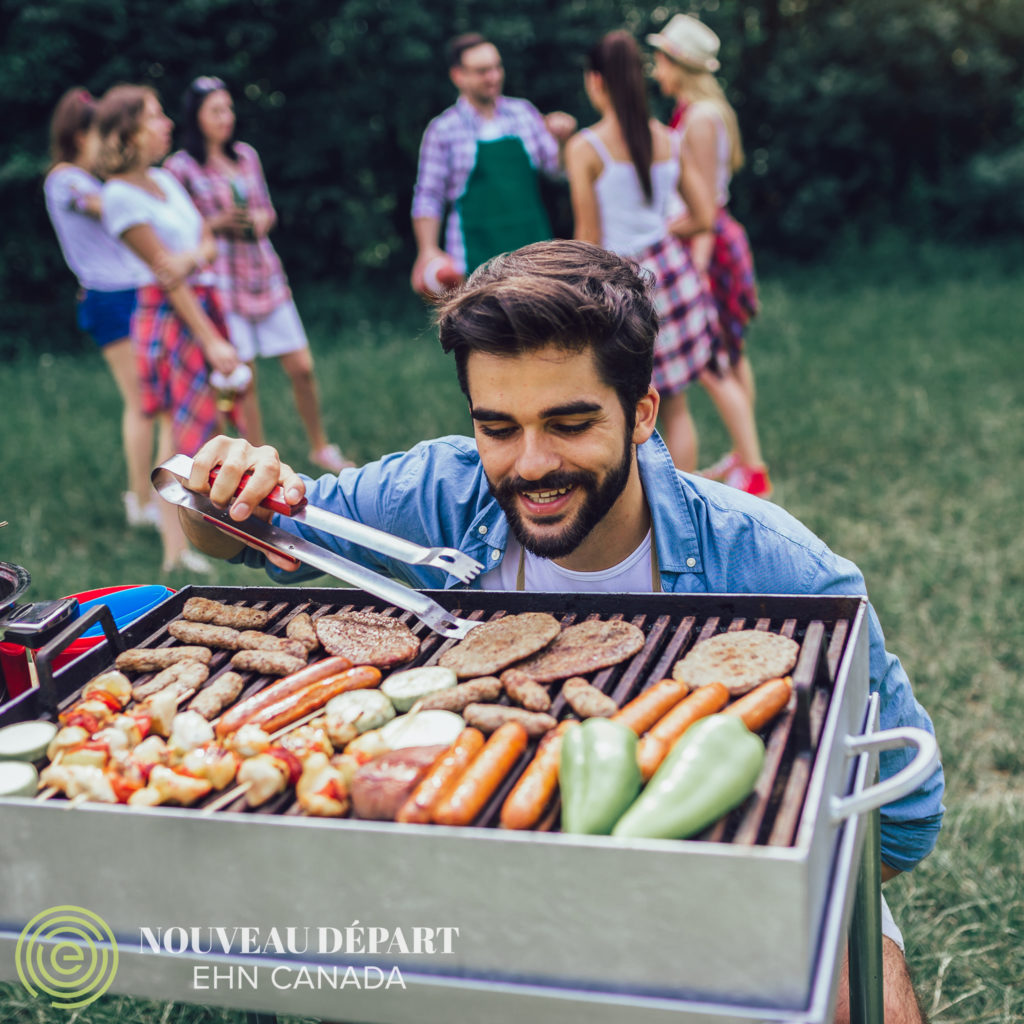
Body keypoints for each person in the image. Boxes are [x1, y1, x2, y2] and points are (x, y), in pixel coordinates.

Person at [182, 240, 942, 1024]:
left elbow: (908, 814)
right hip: (484, 873)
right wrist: (218, 491)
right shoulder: (438, 495)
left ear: (643, 412)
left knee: (869, 995)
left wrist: (728, 892)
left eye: (570, 423)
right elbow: (246, 537)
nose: (531, 464)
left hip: (728, 881)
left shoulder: (783, 571)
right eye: (499, 427)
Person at [164, 76, 353, 474]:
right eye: (215, 110)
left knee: (302, 366)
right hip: (221, 281)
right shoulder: (179, 167)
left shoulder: (245, 155)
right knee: (243, 379)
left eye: (228, 109)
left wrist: (260, 220)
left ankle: (320, 446)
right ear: (195, 117)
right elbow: (181, 227)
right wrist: (217, 223)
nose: (225, 117)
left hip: (263, 272)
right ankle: (260, 461)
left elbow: (267, 208)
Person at [95, 83, 244, 574]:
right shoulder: (117, 195)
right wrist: (211, 339)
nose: (167, 125)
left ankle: (185, 542)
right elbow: (166, 278)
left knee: (193, 427)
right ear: (127, 133)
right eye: (155, 117)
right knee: (177, 430)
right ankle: (174, 547)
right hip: (170, 316)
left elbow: (202, 240)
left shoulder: (165, 179)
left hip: (196, 300)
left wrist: (191, 257)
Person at [564, 30, 719, 474]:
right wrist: (661, 234)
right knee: (675, 407)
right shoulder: (667, 138)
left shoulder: (585, 147)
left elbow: (588, 238)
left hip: (621, 286)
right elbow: (704, 216)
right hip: (673, 275)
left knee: (624, 411)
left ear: (595, 82)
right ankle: (685, 507)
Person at [648, 13, 770, 496]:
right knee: (730, 357)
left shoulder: (698, 119)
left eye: (660, 60)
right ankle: (747, 456)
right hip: (714, 236)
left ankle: (754, 470)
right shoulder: (703, 112)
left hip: (707, 243)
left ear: (680, 64)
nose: (656, 70)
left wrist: (693, 263)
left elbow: (703, 204)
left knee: (712, 362)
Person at [42, 87, 158, 529]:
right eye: (102, 133)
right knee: (142, 402)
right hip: (110, 299)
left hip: (128, 292)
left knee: (151, 401)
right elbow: (105, 209)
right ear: (79, 134)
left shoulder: (93, 181)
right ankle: (140, 500)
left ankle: (145, 497)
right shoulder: (65, 179)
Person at [410, 32, 577, 289]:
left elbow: (557, 171)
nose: (494, 77)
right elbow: (428, 196)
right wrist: (428, 250)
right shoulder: (443, 129)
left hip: (534, 255)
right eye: (482, 71)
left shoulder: (524, 113)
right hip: (473, 261)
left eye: (497, 67)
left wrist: (563, 140)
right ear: (458, 75)